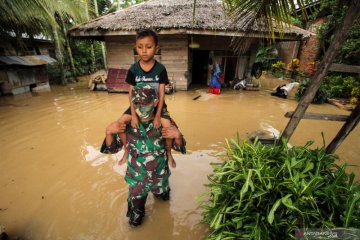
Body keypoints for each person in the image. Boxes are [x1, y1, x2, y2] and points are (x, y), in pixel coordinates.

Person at [101, 84, 186, 227]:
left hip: (160, 178)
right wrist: (108, 132)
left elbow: (180, 146)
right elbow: (112, 148)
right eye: (137, 103)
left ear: (155, 102)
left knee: (165, 204)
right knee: (135, 220)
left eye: (145, 103)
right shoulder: (126, 124)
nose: (141, 107)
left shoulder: (165, 122)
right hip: (137, 181)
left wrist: (177, 136)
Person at [117, 29, 177, 168]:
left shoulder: (161, 69)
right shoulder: (133, 69)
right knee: (120, 123)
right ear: (135, 48)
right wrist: (133, 114)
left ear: (156, 48)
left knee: (167, 125)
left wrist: (157, 116)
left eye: (148, 47)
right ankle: (126, 151)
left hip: (157, 106)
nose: (144, 51)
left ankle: (168, 153)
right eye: (140, 47)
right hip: (137, 106)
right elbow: (131, 93)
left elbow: (162, 95)